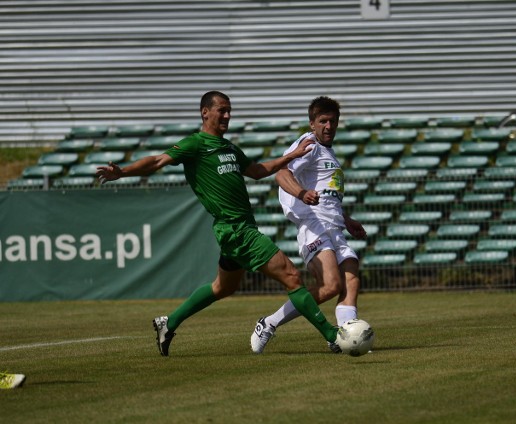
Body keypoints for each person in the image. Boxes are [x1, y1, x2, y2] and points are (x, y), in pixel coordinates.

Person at [96, 90, 338, 356]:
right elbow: (157, 161)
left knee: (223, 287)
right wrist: (123, 172)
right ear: (205, 112)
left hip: (239, 228)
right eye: (221, 110)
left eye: (229, 110)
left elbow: (257, 171)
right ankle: (333, 336)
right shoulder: (195, 145)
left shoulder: (229, 148)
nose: (227, 115)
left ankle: (169, 322)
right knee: (292, 277)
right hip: (236, 230)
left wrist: (291, 157)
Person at [251, 96, 367, 354]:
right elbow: (281, 173)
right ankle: (269, 323)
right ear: (312, 124)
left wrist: (347, 220)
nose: (328, 126)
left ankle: (345, 338)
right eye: (322, 121)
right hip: (313, 225)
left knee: (351, 275)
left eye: (333, 121)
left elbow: (328, 194)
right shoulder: (310, 144)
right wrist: (302, 193)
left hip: (334, 227)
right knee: (330, 286)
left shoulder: (329, 154)